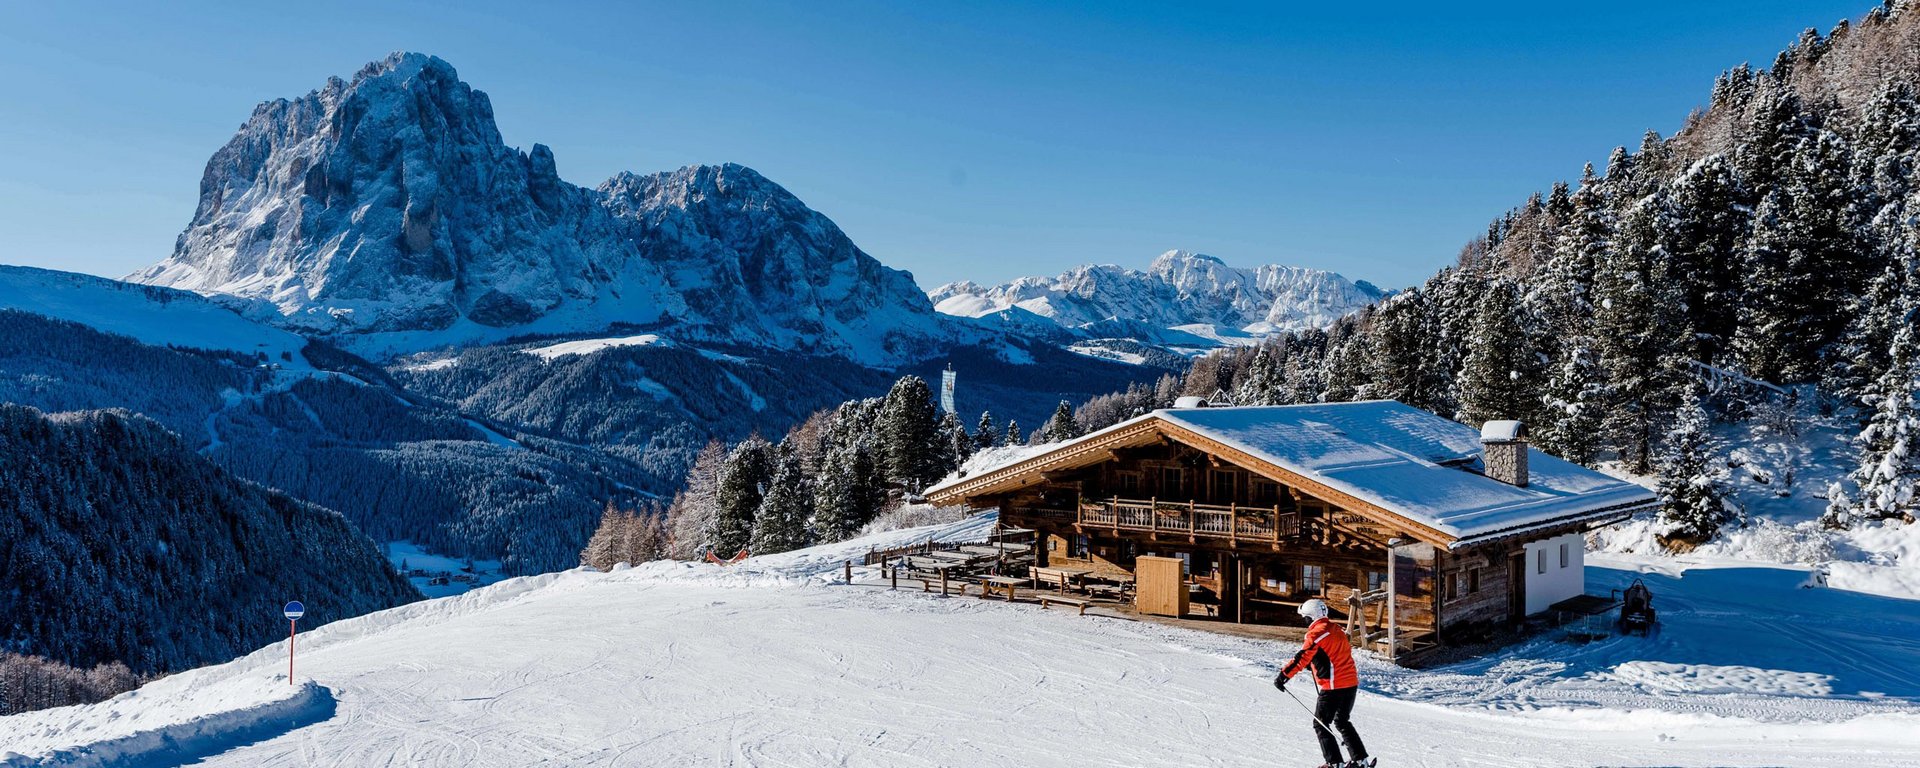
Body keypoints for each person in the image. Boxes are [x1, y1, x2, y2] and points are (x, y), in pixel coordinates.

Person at [1274, 598, 1372, 768]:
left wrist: (1283, 676)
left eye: (1304, 617)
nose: (1304, 620)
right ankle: (1360, 760)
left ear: (1311, 617)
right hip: (1350, 683)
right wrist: (1316, 667)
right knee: (1341, 721)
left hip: (1334, 686)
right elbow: (1332, 656)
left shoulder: (1315, 634)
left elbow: (1301, 657)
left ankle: (1334, 763)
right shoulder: (1336, 629)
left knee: (1320, 723)